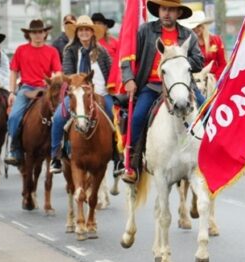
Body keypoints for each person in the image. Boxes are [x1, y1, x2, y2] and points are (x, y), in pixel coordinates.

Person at [120, 0, 205, 184]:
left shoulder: (187, 35)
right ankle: (132, 163)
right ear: (158, 10)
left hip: (183, 86)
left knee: (207, 110)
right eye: (164, 9)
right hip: (152, 86)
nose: (167, 13)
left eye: (172, 10)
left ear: (178, 13)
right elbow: (127, 57)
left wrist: (179, 64)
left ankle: (209, 158)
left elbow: (199, 61)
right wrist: (128, 79)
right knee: (137, 117)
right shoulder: (145, 31)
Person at [49, 15, 123, 174]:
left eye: (87, 30)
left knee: (115, 117)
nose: (84, 33)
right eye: (81, 30)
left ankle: (118, 158)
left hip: (101, 93)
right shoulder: (69, 50)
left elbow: (110, 73)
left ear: (92, 32)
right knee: (57, 118)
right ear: (76, 33)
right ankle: (55, 156)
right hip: (77, 93)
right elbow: (68, 74)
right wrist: (81, 85)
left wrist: (113, 87)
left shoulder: (101, 51)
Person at [4, 19, 62, 166]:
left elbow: (58, 72)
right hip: (27, 89)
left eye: (40, 32)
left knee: (63, 114)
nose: (37, 35)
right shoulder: (21, 50)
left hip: (46, 89)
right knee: (14, 116)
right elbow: (13, 71)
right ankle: (15, 148)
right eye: (34, 32)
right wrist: (11, 92)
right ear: (29, 34)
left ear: (45, 33)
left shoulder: (52, 51)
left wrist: (53, 80)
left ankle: (65, 147)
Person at [179, 11, 227, 78]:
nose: (195, 29)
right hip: (195, 79)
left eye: (198, 26)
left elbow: (223, 64)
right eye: (193, 27)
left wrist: (215, 78)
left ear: (203, 26)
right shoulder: (187, 44)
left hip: (214, 79)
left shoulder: (216, 40)